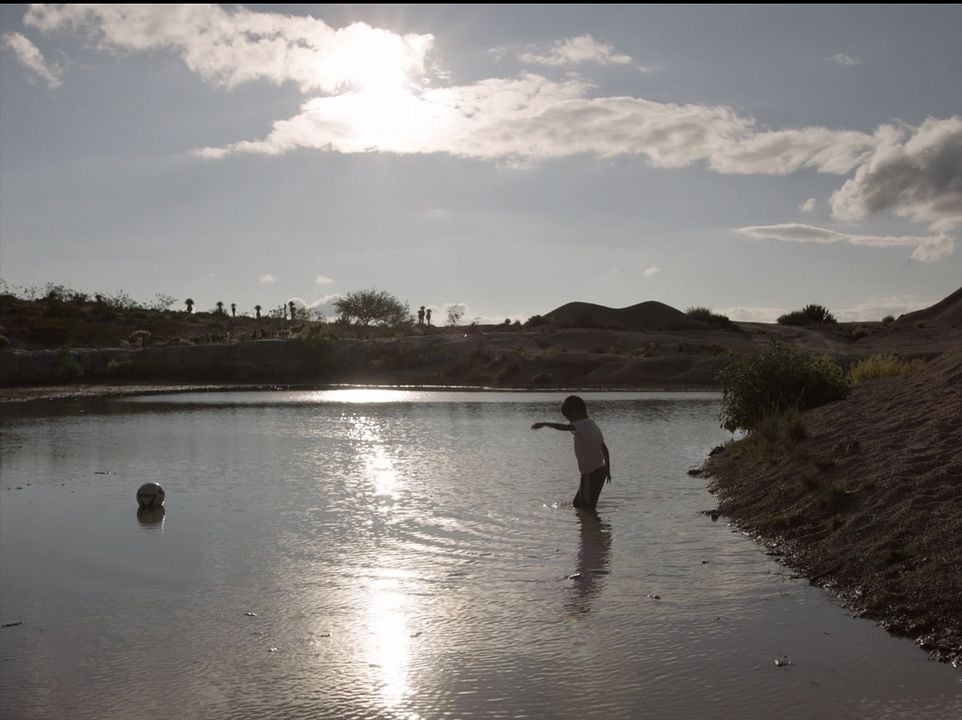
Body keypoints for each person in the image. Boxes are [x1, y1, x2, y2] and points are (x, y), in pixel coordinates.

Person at [531, 395, 611, 508]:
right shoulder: (592, 424)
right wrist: (607, 469)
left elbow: (564, 427)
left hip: (591, 472)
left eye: (569, 417)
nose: (569, 421)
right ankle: (590, 524)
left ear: (574, 412)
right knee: (578, 504)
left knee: (587, 507)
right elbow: (604, 448)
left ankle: (594, 524)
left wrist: (544, 423)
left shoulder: (581, 424)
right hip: (598, 471)